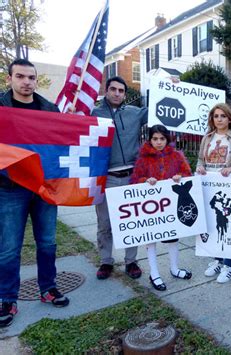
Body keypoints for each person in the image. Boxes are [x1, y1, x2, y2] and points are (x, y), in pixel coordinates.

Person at [0, 59, 70, 328]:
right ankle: (7, 298)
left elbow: (60, 145)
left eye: (31, 77)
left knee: (48, 242)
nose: (26, 82)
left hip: (43, 188)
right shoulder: (1, 108)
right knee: (8, 248)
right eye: (20, 76)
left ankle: (48, 288)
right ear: (10, 79)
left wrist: (67, 122)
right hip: (10, 189)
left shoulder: (49, 109)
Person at [92, 76, 148, 280]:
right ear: (106, 91)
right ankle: (106, 261)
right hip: (106, 177)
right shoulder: (93, 113)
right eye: (113, 89)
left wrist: (171, 87)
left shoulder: (135, 113)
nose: (117, 93)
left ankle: (131, 261)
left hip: (132, 176)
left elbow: (160, 110)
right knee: (105, 223)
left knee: (131, 221)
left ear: (125, 94)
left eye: (121, 90)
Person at [129, 125, 193, 291]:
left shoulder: (177, 156)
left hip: (170, 206)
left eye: (162, 139)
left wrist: (180, 177)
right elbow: (135, 179)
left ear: (167, 139)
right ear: (150, 140)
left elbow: (187, 174)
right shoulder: (143, 158)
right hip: (151, 207)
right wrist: (145, 180)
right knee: (151, 238)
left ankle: (174, 268)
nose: (158, 142)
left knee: (172, 237)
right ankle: (154, 273)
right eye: (155, 139)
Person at [196, 103, 231, 283]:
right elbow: (200, 159)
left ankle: (229, 265)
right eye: (216, 116)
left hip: (229, 186)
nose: (219, 119)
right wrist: (199, 166)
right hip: (210, 186)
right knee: (212, 224)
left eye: (223, 116)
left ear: (229, 118)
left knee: (227, 224)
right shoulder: (208, 137)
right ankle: (217, 260)